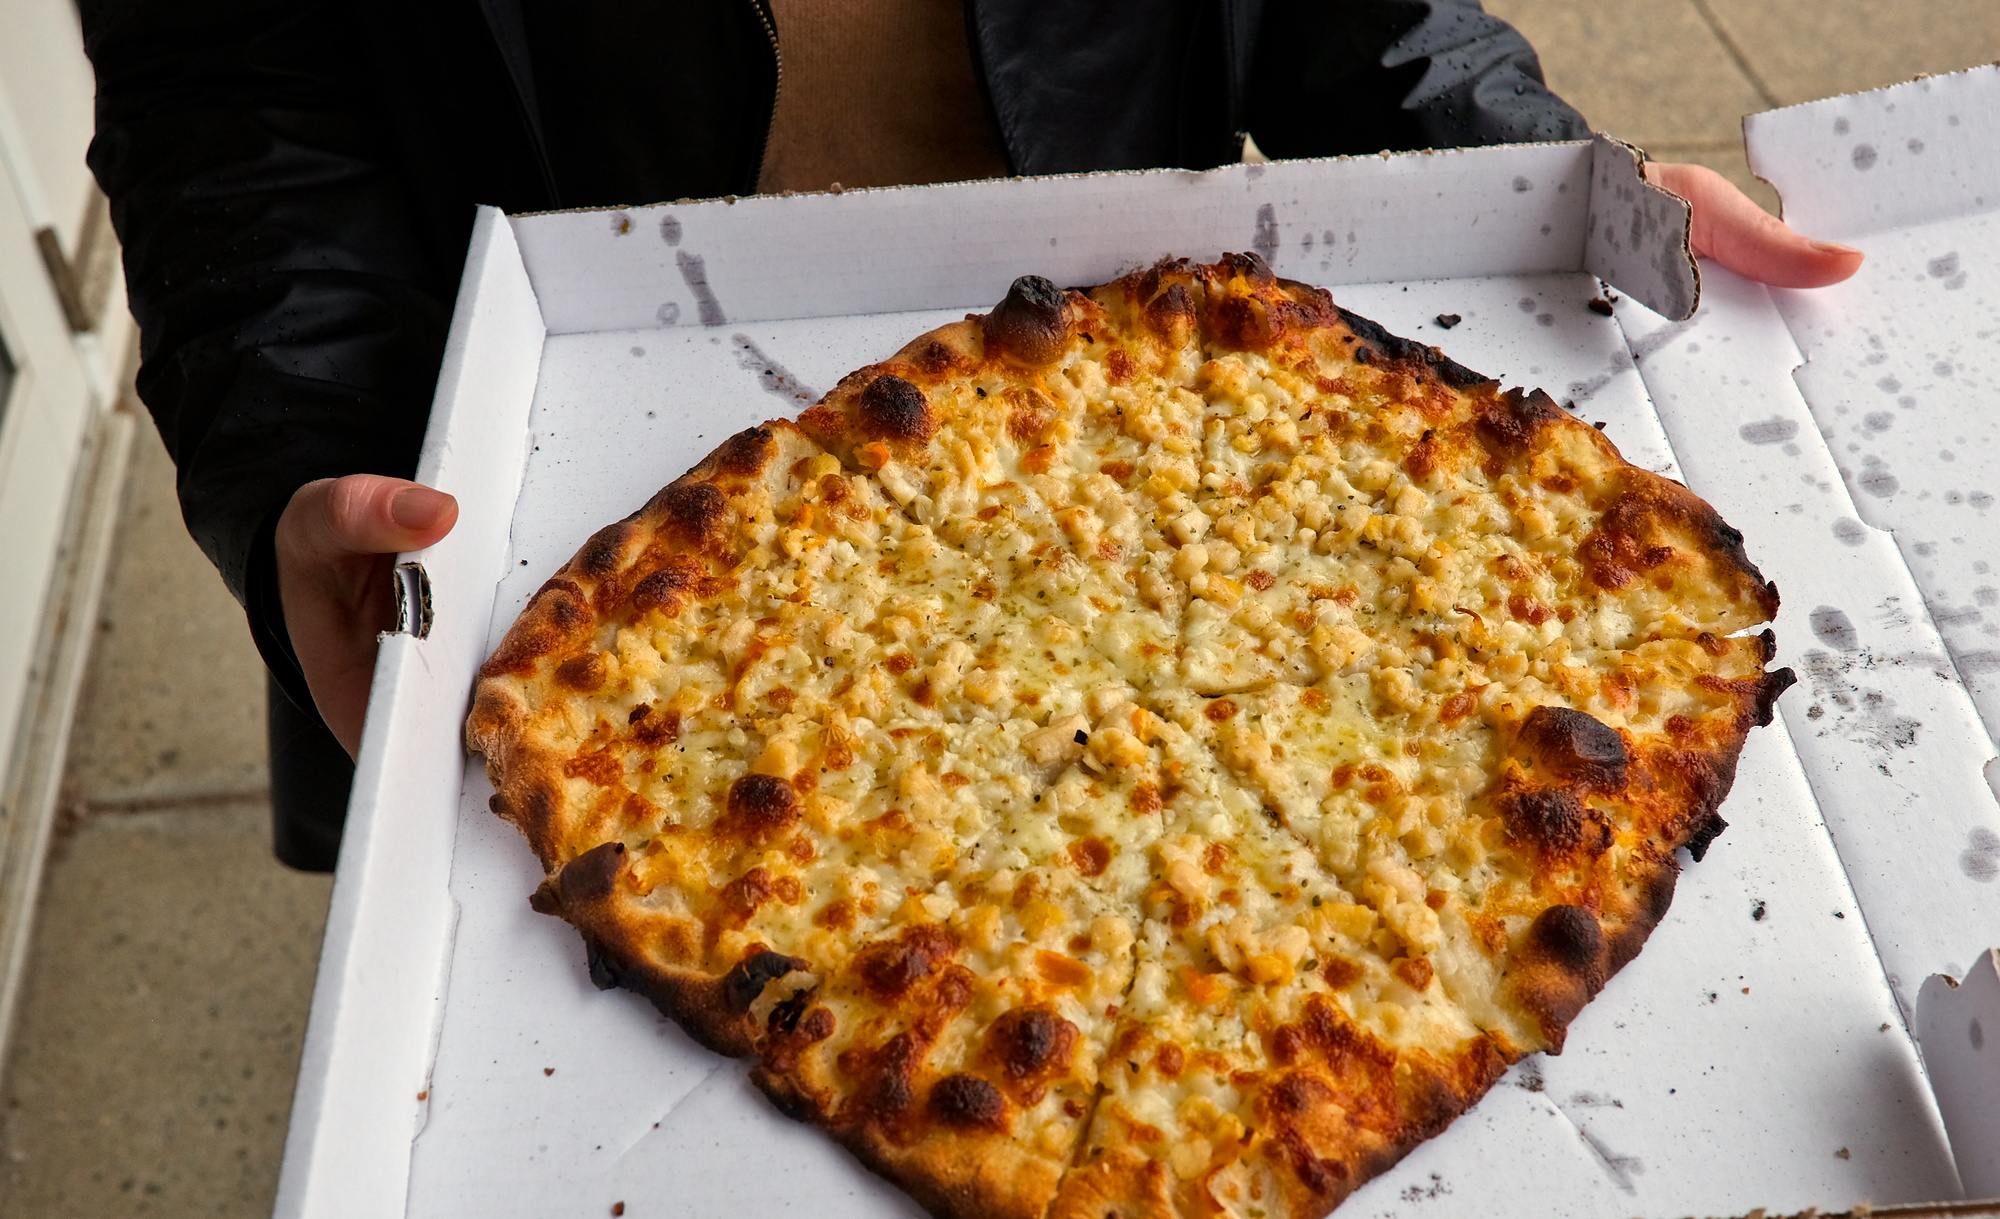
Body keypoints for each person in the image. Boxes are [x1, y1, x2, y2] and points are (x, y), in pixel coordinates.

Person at [79, 0, 1862, 871]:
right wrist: (303, 451)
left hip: (1145, 474)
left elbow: (1360, 19)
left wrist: (1580, 197)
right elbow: (230, 129)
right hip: (585, 562)